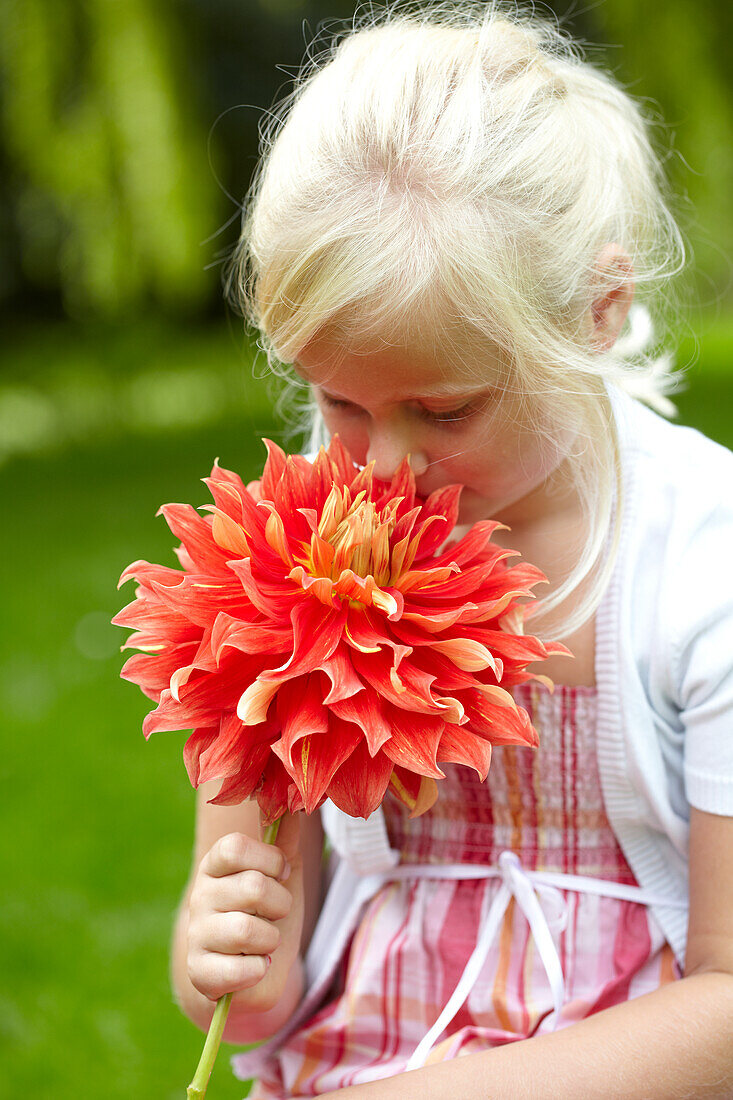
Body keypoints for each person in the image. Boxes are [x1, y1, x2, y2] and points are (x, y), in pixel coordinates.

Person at [170, 4, 733, 1097]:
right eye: (337, 400)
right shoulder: (292, 558)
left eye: (444, 408)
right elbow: (264, 989)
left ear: (596, 310)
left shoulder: (704, 567)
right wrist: (226, 949)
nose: (377, 469)